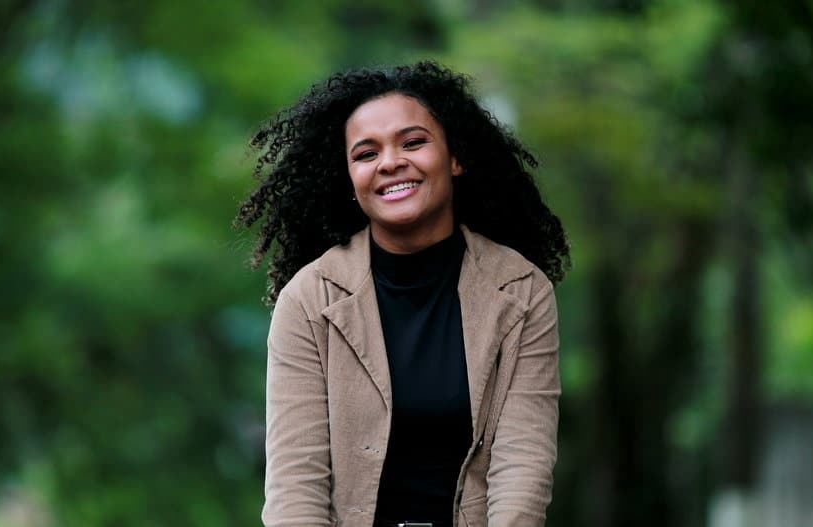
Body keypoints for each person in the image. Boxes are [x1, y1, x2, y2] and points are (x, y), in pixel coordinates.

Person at [237, 61, 570, 527]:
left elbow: (523, 469)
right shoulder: (308, 300)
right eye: (365, 153)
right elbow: (296, 485)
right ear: (350, 178)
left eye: (413, 142)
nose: (390, 161)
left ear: (455, 158)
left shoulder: (522, 292)